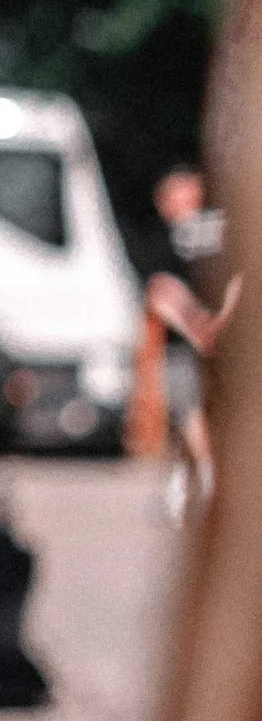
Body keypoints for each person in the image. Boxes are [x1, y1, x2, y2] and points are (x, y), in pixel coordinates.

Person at [131, 165, 238, 507]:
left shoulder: (214, 234)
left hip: (208, 341)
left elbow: (239, 279)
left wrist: (215, 321)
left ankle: (204, 478)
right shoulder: (169, 238)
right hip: (192, 341)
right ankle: (190, 478)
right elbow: (159, 291)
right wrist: (206, 324)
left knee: (194, 412)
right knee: (188, 412)